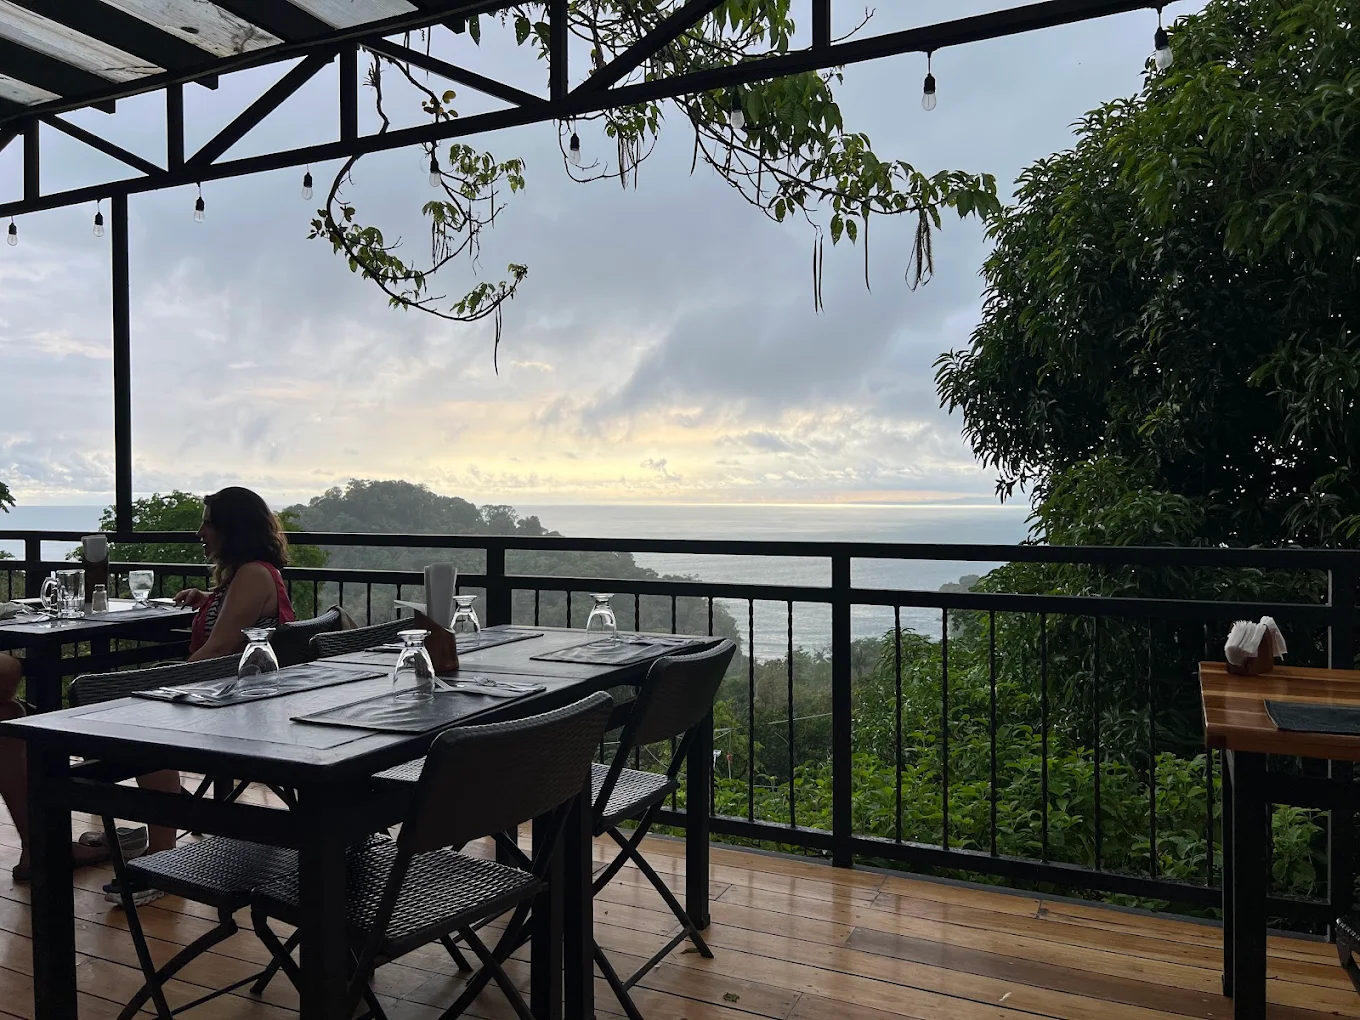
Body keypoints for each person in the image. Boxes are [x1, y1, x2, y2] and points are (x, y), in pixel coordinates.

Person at [1, 488, 296, 899]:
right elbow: (234, 629)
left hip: (230, 707)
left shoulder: (252, 575)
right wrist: (208, 600)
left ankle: (161, 855)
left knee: (138, 722)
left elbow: (217, 650)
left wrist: (161, 687)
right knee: (133, 712)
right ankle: (146, 835)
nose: (200, 532)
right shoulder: (252, 574)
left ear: (232, 528)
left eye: (207, 523)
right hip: (241, 700)